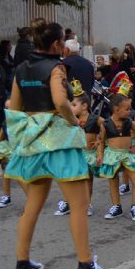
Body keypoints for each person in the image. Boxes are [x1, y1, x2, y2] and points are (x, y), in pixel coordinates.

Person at [5, 18, 116, 269]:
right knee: (79, 205)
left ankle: (22, 262)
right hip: (60, 141)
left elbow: (15, 107)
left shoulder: (21, 68)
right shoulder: (56, 68)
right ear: (57, 43)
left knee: (32, 205)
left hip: (33, 142)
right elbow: (59, 100)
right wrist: (71, 119)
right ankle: (86, 265)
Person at [96, 86, 135, 221]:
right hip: (112, 155)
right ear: (117, 110)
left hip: (127, 154)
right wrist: (100, 155)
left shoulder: (129, 122)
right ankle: (116, 206)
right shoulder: (106, 124)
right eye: (127, 109)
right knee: (113, 179)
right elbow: (100, 141)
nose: (130, 112)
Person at [53, 82, 99, 217]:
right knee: (70, 179)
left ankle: (87, 204)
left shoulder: (95, 119)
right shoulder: (70, 120)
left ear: (84, 106)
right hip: (74, 155)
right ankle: (68, 203)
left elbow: (107, 128)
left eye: (73, 105)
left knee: (87, 180)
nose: (71, 108)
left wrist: (100, 141)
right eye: (70, 105)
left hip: (88, 155)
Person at [0, 100, 26, 208]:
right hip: (8, 149)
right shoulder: (5, 123)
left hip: (19, 150)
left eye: (11, 108)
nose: (8, 111)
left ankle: (31, 198)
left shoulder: (23, 121)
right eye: (6, 108)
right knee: (5, 173)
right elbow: (0, 136)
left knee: (17, 175)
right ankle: (6, 196)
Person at [120, 43, 135, 111]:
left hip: (133, 78)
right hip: (125, 79)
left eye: (129, 48)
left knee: (132, 96)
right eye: (126, 48)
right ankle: (127, 110)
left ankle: (134, 110)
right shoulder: (123, 57)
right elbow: (121, 68)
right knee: (125, 95)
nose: (127, 50)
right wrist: (125, 59)